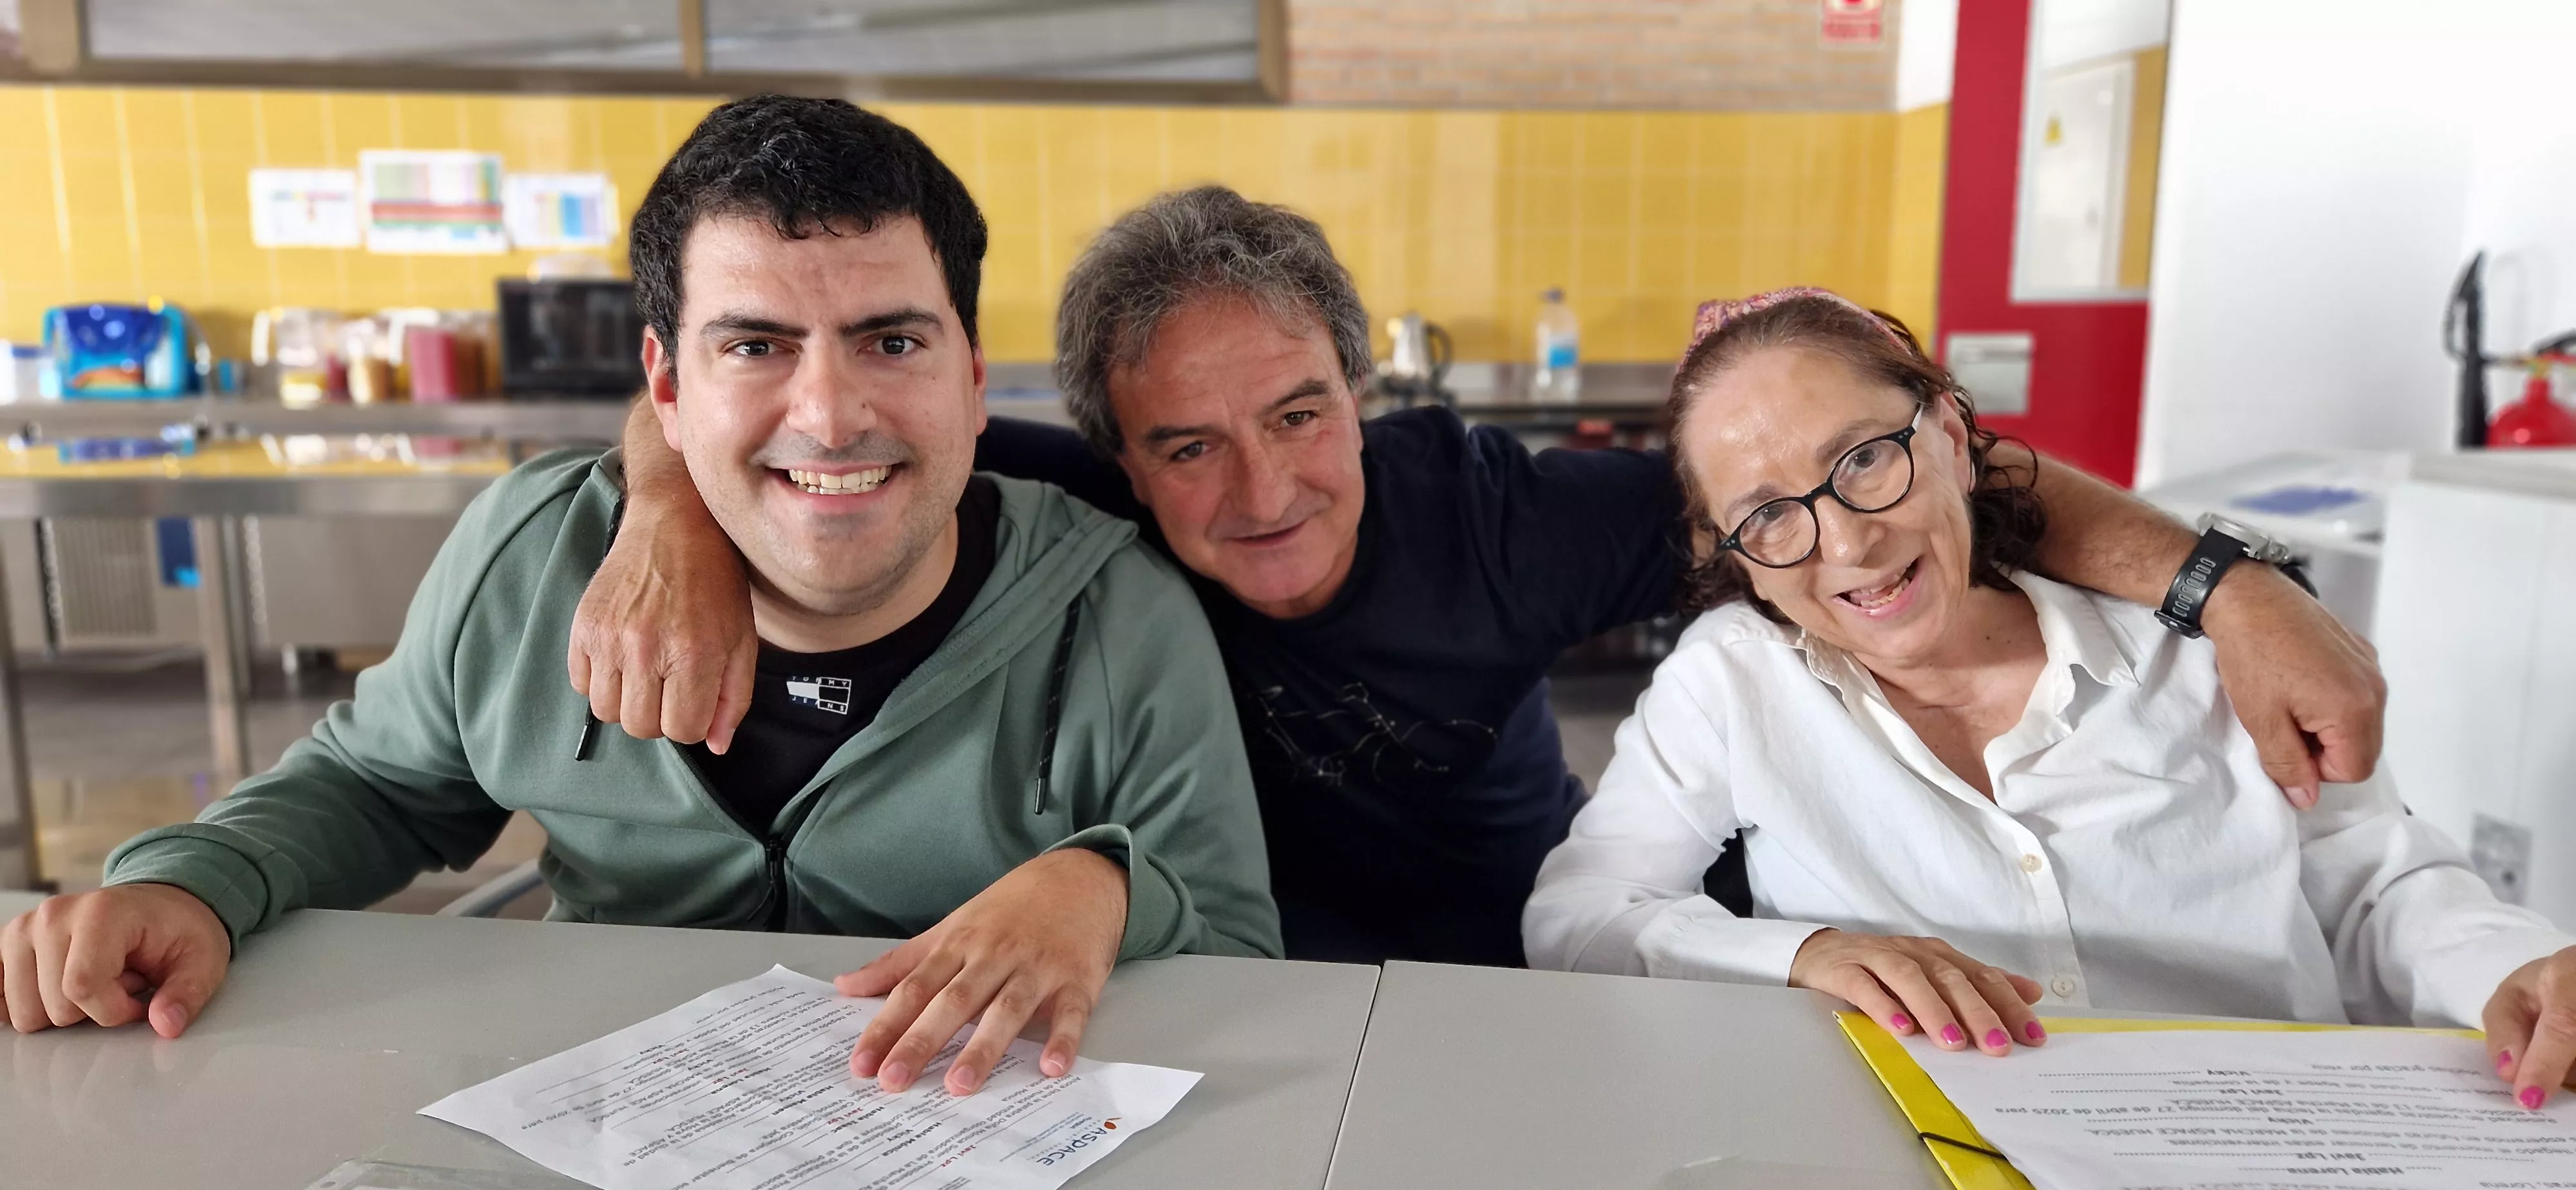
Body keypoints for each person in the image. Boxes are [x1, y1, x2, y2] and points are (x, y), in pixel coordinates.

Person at [573, 185, 2387, 967]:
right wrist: (666, 508)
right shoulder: (1048, 496)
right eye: (1189, 449)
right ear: (1112, 458)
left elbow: (1904, 475)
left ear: (1366, 393)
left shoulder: (1503, 513)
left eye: (1299, 414)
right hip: (1201, 973)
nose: (1262, 488)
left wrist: (2234, 590)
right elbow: (788, 426)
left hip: (1520, 969)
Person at [0, 97, 1280, 1101]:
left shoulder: (1113, 613)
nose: (831, 415)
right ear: (664, 385)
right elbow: (375, 783)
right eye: (755, 346)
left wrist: (1099, 883)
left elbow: (1236, 944)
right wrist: (192, 882)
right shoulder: (530, 558)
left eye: (891, 341)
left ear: (970, 370)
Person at [1522, 288, 2576, 1106]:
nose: (1845, 542)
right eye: (1768, 516)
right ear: (1732, 551)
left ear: (1947, 432)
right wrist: (1802, 953)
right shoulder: (1732, 679)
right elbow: (1581, 914)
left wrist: (2515, 967)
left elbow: (2378, 886)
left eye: (1866, 461)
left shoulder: (2201, 651)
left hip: (2260, 1135)